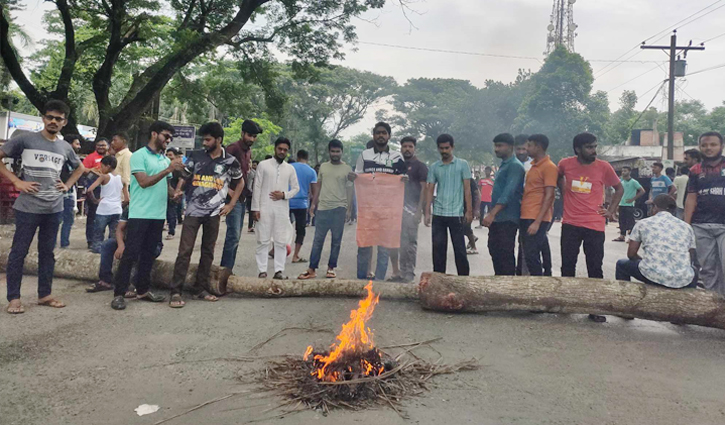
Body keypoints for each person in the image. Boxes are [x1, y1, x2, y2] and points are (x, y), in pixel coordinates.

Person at [0, 100, 85, 314]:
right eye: (50, 117)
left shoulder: (65, 146)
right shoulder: (25, 140)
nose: (53, 121)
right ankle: (14, 298)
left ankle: (44, 294)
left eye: (58, 118)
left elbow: (80, 168)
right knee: (19, 253)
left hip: (53, 208)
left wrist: (66, 185)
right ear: (43, 118)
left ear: (64, 122)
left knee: (47, 253)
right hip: (27, 207)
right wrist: (17, 182)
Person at [168, 122, 243, 308]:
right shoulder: (196, 156)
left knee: (208, 251)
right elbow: (185, 176)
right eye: (203, 139)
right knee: (184, 250)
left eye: (208, 139)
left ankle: (199, 289)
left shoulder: (230, 161)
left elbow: (240, 182)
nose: (205, 142)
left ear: (218, 140)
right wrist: (178, 190)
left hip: (214, 213)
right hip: (192, 211)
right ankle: (175, 291)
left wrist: (231, 204)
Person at [111, 121, 184, 310]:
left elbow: (165, 185)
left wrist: (174, 195)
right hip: (140, 213)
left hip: (158, 215)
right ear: (154, 134)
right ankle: (119, 293)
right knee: (130, 254)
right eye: (165, 136)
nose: (168, 140)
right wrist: (168, 169)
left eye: (170, 137)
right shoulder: (138, 156)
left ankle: (142, 290)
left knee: (149, 254)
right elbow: (143, 182)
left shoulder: (163, 159)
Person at [558, 132, 623, 323]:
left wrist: (611, 211)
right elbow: (557, 177)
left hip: (594, 225)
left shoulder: (604, 167)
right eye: (589, 147)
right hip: (570, 223)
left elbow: (619, 188)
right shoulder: (565, 164)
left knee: (595, 267)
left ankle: (595, 307)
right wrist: (564, 192)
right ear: (577, 149)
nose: (593, 150)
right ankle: (566, 303)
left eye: (595, 146)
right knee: (567, 265)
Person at [349, 122, 407, 280]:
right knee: (364, 245)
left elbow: (402, 177)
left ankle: (379, 283)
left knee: (384, 247)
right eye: (378, 133)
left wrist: (403, 180)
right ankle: (360, 282)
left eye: (384, 133)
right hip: (368, 208)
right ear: (373, 135)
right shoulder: (364, 155)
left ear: (389, 136)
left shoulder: (396, 157)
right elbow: (358, 176)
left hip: (388, 209)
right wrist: (353, 177)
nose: (381, 136)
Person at [298, 140, 353, 280]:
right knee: (318, 240)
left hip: (339, 209)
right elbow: (318, 186)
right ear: (329, 152)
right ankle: (312, 269)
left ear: (342, 152)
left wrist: (349, 209)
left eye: (337, 151)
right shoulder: (323, 167)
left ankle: (331, 268)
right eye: (333, 151)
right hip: (323, 208)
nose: (335, 154)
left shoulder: (347, 169)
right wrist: (313, 204)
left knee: (336, 241)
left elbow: (350, 189)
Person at [616, 194, 699, 289]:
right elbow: (691, 256)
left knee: (621, 265)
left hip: (652, 275)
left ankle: (625, 296)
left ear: (655, 207)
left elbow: (631, 254)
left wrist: (646, 261)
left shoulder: (642, 223)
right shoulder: (686, 227)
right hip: (681, 279)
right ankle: (689, 299)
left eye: (651, 207)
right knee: (694, 271)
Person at [86, 206, 163, 295]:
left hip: (150, 244)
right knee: (107, 245)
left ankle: (135, 284)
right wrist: (121, 245)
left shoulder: (153, 210)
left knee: (141, 252)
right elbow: (119, 229)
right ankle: (105, 280)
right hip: (130, 240)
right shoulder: (130, 208)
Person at [424, 134, 472, 276]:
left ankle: (464, 281)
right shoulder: (434, 167)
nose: (444, 151)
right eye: (441, 148)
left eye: (447, 148)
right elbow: (430, 189)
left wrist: (469, 211)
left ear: (452, 147)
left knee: (460, 250)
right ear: (438, 149)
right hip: (439, 214)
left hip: (456, 213)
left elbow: (467, 189)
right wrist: (427, 212)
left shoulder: (462, 164)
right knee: (438, 249)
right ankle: (439, 280)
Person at [252, 137, 299, 279]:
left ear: (288, 152)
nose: (282, 152)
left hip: (282, 208)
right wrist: (255, 208)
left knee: (281, 240)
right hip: (264, 207)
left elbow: (296, 188)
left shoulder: (290, 168)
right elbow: (257, 187)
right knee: (263, 240)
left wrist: (284, 195)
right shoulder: (263, 165)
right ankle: (262, 271)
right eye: (280, 149)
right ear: (275, 149)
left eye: (285, 150)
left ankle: (279, 270)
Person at [685, 131, 725, 295]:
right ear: (700, 147)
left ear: (721, 146)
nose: (709, 148)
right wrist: (686, 226)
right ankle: (715, 308)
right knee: (708, 269)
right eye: (704, 145)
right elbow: (691, 198)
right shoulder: (695, 170)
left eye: (713, 144)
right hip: (701, 226)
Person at [482, 133, 525, 276]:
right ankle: (499, 281)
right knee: (494, 248)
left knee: (505, 253)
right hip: (498, 218)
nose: (496, 149)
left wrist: (492, 213)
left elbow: (508, 193)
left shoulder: (515, 166)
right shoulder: (504, 165)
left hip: (508, 218)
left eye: (500, 146)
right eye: (495, 145)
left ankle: (507, 286)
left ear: (510, 147)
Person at [221, 119, 262, 270]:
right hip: (232, 198)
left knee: (236, 237)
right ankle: (224, 270)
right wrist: (228, 191)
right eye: (249, 135)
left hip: (242, 197)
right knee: (233, 236)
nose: (252, 139)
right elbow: (219, 171)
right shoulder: (233, 149)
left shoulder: (248, 151)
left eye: (254, 136)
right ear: (242, 133)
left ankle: (227, 270)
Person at [388, 136, 428, 282]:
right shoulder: (396, 165)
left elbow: (424, 189)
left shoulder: (420, 166)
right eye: (405, 146)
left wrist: (420, 211)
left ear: (414, 148)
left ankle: (409, 273)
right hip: (396, 209)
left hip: (412, 209)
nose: (407, 149)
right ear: (401, 148)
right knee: (398, 242)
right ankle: (400, 271)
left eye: (410, 146)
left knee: (410, 242)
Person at [519, 134, 557, 276]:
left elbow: (549, 195)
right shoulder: (533, 166)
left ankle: (539, 285)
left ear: (538, 147)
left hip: (536, 216)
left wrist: (537, 222)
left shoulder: (549, 167)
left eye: (529, 145)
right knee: (529, 253)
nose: (526, 149)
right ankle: (541, 279)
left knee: (531, 254)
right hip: (526, 214)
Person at [85, 156, 126, 253]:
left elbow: (89, 189)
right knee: (114, 234)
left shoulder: (104, 177)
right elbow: (127, 199)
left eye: (102, 166)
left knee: (98, 233)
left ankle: (97, 250)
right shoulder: (122, 180)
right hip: (117, 210)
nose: (100, 169)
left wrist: (95, 200)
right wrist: (119, 205)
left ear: (107, 166)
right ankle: (111, 251)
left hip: (103, 209)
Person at [289, 150, 317, 263]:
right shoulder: (311, 171)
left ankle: (275, 249)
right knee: (300, 230)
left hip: (286, 200)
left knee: (281, 228)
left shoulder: (289, 167)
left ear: (297, 157)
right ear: (307, 158)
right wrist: (312, 205)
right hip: (302, 203)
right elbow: (314, 191)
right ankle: (295, 255)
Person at [83, 138, 109, 249]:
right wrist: (92, 170)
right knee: (92, 216)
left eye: (103, 145)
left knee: (104, 217)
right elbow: (83, 169)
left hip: (107, 190)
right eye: (99, 145)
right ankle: (90, 240)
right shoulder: (90, 157)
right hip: (94, 189)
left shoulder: (110, 157)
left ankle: (100, 240)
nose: (101, 147)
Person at [59, 134, 81, 248]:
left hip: (69, 194)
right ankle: (50, 244)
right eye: (77, 144)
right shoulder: (60, 158)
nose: (79, 146)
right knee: (56, 220)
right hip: (58, 194)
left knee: (69, 219)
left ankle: (64, 243)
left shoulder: (73, 161)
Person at [612, 166, 645, 242]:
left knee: (630, 221)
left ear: (629, 172)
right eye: (622, 171)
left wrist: (633, 199)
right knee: (621, 220)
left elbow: (642, 191)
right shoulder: (621, 182)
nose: (623, 172)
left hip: (629, 205)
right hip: (621, 203)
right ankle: (622, 236)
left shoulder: (633, 182)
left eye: (625, 171)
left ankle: (632, 238)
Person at [164, 147, 184, 239]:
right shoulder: (164, 165)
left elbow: (181, 180)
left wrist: (177, 191)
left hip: (173, 193)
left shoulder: (177, 168)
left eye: (170, 155)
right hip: (164, 192)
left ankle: (171, 231)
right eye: (167, 155)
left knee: (171, 212)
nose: (168, 156)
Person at [246, 160, 259, 232]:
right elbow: (249, 186)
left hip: (252, 195)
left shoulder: (256, 173)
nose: (254, 166)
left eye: (255, 165)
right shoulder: (252, 173)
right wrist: (254, 193)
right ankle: (250, 226)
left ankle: (253, 226)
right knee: (252, 212)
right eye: (253, 165)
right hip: (251, 196)